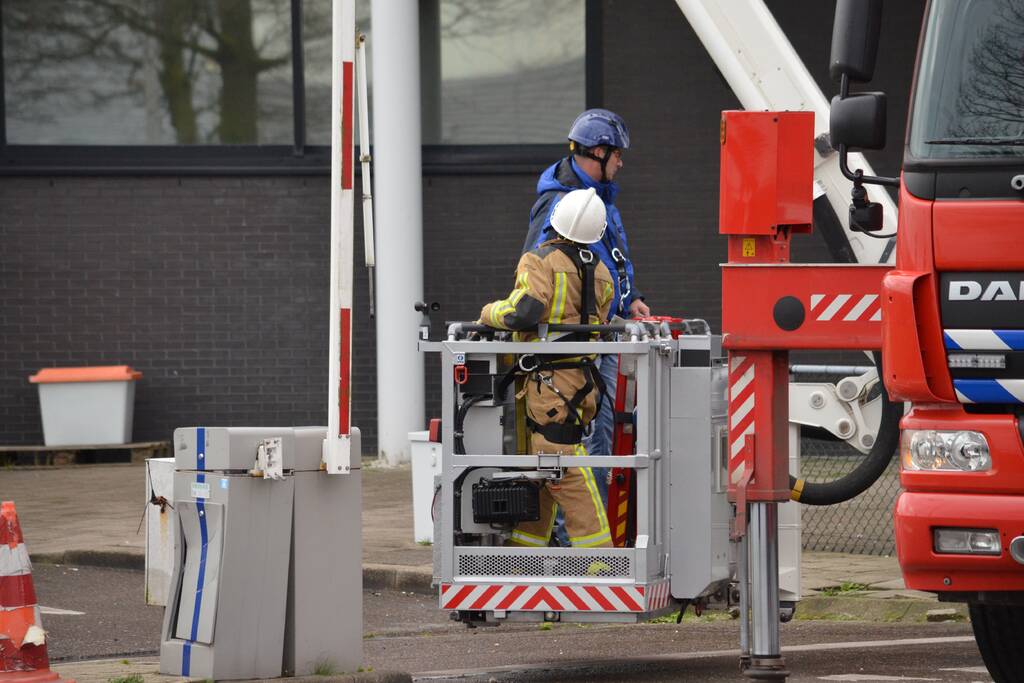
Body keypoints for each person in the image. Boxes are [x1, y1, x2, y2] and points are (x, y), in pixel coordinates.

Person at [522, 109, 649, 539]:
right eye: (617, 154)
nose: (621, 162)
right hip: (575, 346)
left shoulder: (596, 200)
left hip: (599, 333)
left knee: (598, 436)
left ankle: (579, 540)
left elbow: (611, 260)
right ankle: (579, 542)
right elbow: (541, 274)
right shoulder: (564, 204)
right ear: (598, 152)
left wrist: (632, 302)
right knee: (583, 439)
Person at [479, 188, 614, 549]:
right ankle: (524, 554)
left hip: (548, 385)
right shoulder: (602, 273)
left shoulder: (540, 261)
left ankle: (599, 560)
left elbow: (522, 311)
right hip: (584, 383)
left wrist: (488, 313)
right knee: (541, 467)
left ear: (555, 222)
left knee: (561, 463)